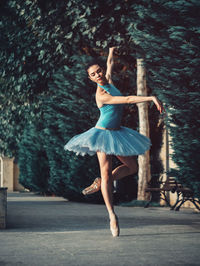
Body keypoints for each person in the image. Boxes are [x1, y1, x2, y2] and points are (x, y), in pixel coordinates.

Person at [64, 47, 164, 237]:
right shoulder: (101, 95)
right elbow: (126, 99)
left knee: (132, 167)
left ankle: (101, 182)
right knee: (107, 173)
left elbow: (109, 66)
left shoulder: (108, 80)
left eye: (98, 71)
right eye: (93, 74)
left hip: (117, 133)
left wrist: (110, 53)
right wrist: (150, 97)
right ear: (91, 79)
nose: (98, 75)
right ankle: (112, 215)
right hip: (102, 135)